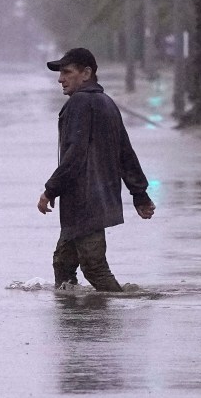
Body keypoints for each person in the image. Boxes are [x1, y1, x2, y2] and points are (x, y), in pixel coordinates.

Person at [37, 48, 156, 291]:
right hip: (98, 200)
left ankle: (107, 321)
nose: (60, 79)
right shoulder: (107, 103)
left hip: (84, 202)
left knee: (94, 267)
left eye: (67, 72)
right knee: (63, 263)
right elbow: (126, 152)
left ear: (86, 73)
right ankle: (74, 318)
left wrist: (50, 190)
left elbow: (75, 155)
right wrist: (140, 194)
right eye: (60, 73)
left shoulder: (79, 103)